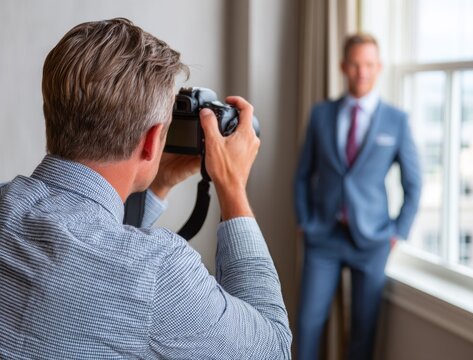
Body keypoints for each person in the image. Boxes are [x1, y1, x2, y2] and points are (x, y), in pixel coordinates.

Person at [0, 18, 291, 359]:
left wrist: (159, 182)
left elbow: (95, 243)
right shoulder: (157, 271)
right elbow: (273, 349)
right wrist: (232, 187)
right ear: (153, 140)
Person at [294, 33, 422, 360]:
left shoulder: (397, 121)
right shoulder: (321, 114)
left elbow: (414, 182)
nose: (361, 72)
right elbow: (302, 174)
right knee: (307, 325)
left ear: (378, 67)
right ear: (342, 67)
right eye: (354, 64)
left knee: (364, 333)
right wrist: (304, 220)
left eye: (368, 64)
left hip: (373, 241)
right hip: (322, 235)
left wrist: (398, 232)